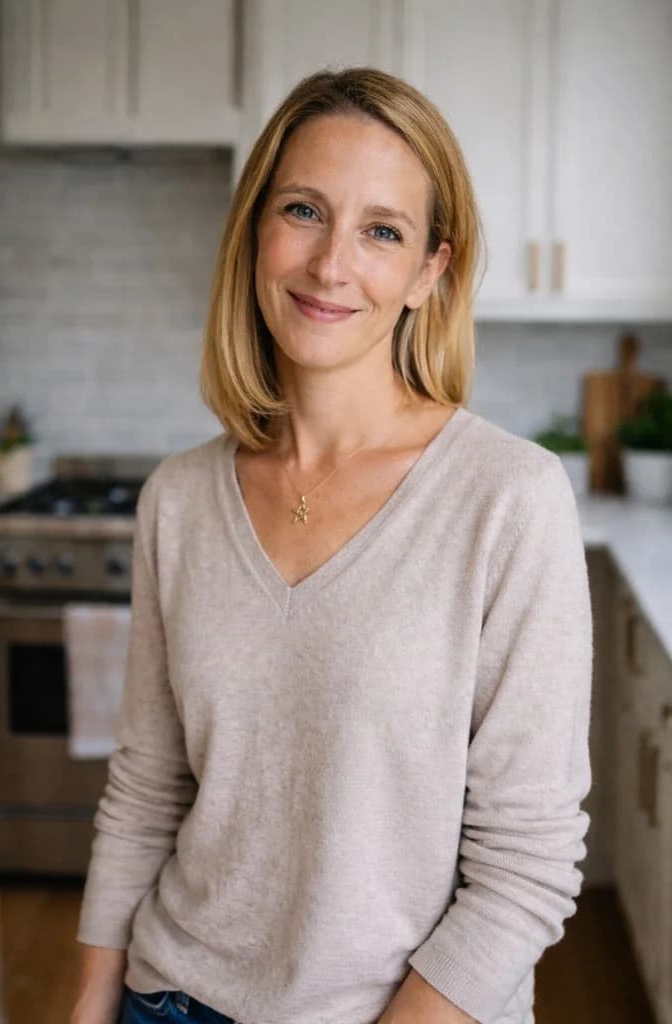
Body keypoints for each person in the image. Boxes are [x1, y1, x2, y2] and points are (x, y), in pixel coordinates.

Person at [71, 67, 593, 1024]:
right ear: (255, 232)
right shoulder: (178, 500)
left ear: (429, 272)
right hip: (171, 1000)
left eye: (381, 230)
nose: (329, 264)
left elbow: (527, 864)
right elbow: (147, 787)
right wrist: (92, 1004)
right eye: (304, 210)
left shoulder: (508, 499)